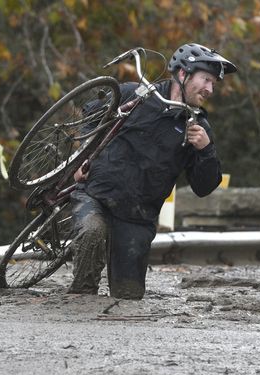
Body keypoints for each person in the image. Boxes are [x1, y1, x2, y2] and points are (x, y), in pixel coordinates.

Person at [67, 43, 237, 299]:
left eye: (213, 84)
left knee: (129, 297)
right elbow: (89, 114)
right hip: (96, 195)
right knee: (92, 232)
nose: (210, 89)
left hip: (137, 218)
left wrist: (206, 150)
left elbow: (204, 187)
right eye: (206, 80)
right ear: (183, 74)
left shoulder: (198, 128)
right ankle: (80, 298)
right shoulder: (135, 95)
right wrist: (83, 155)